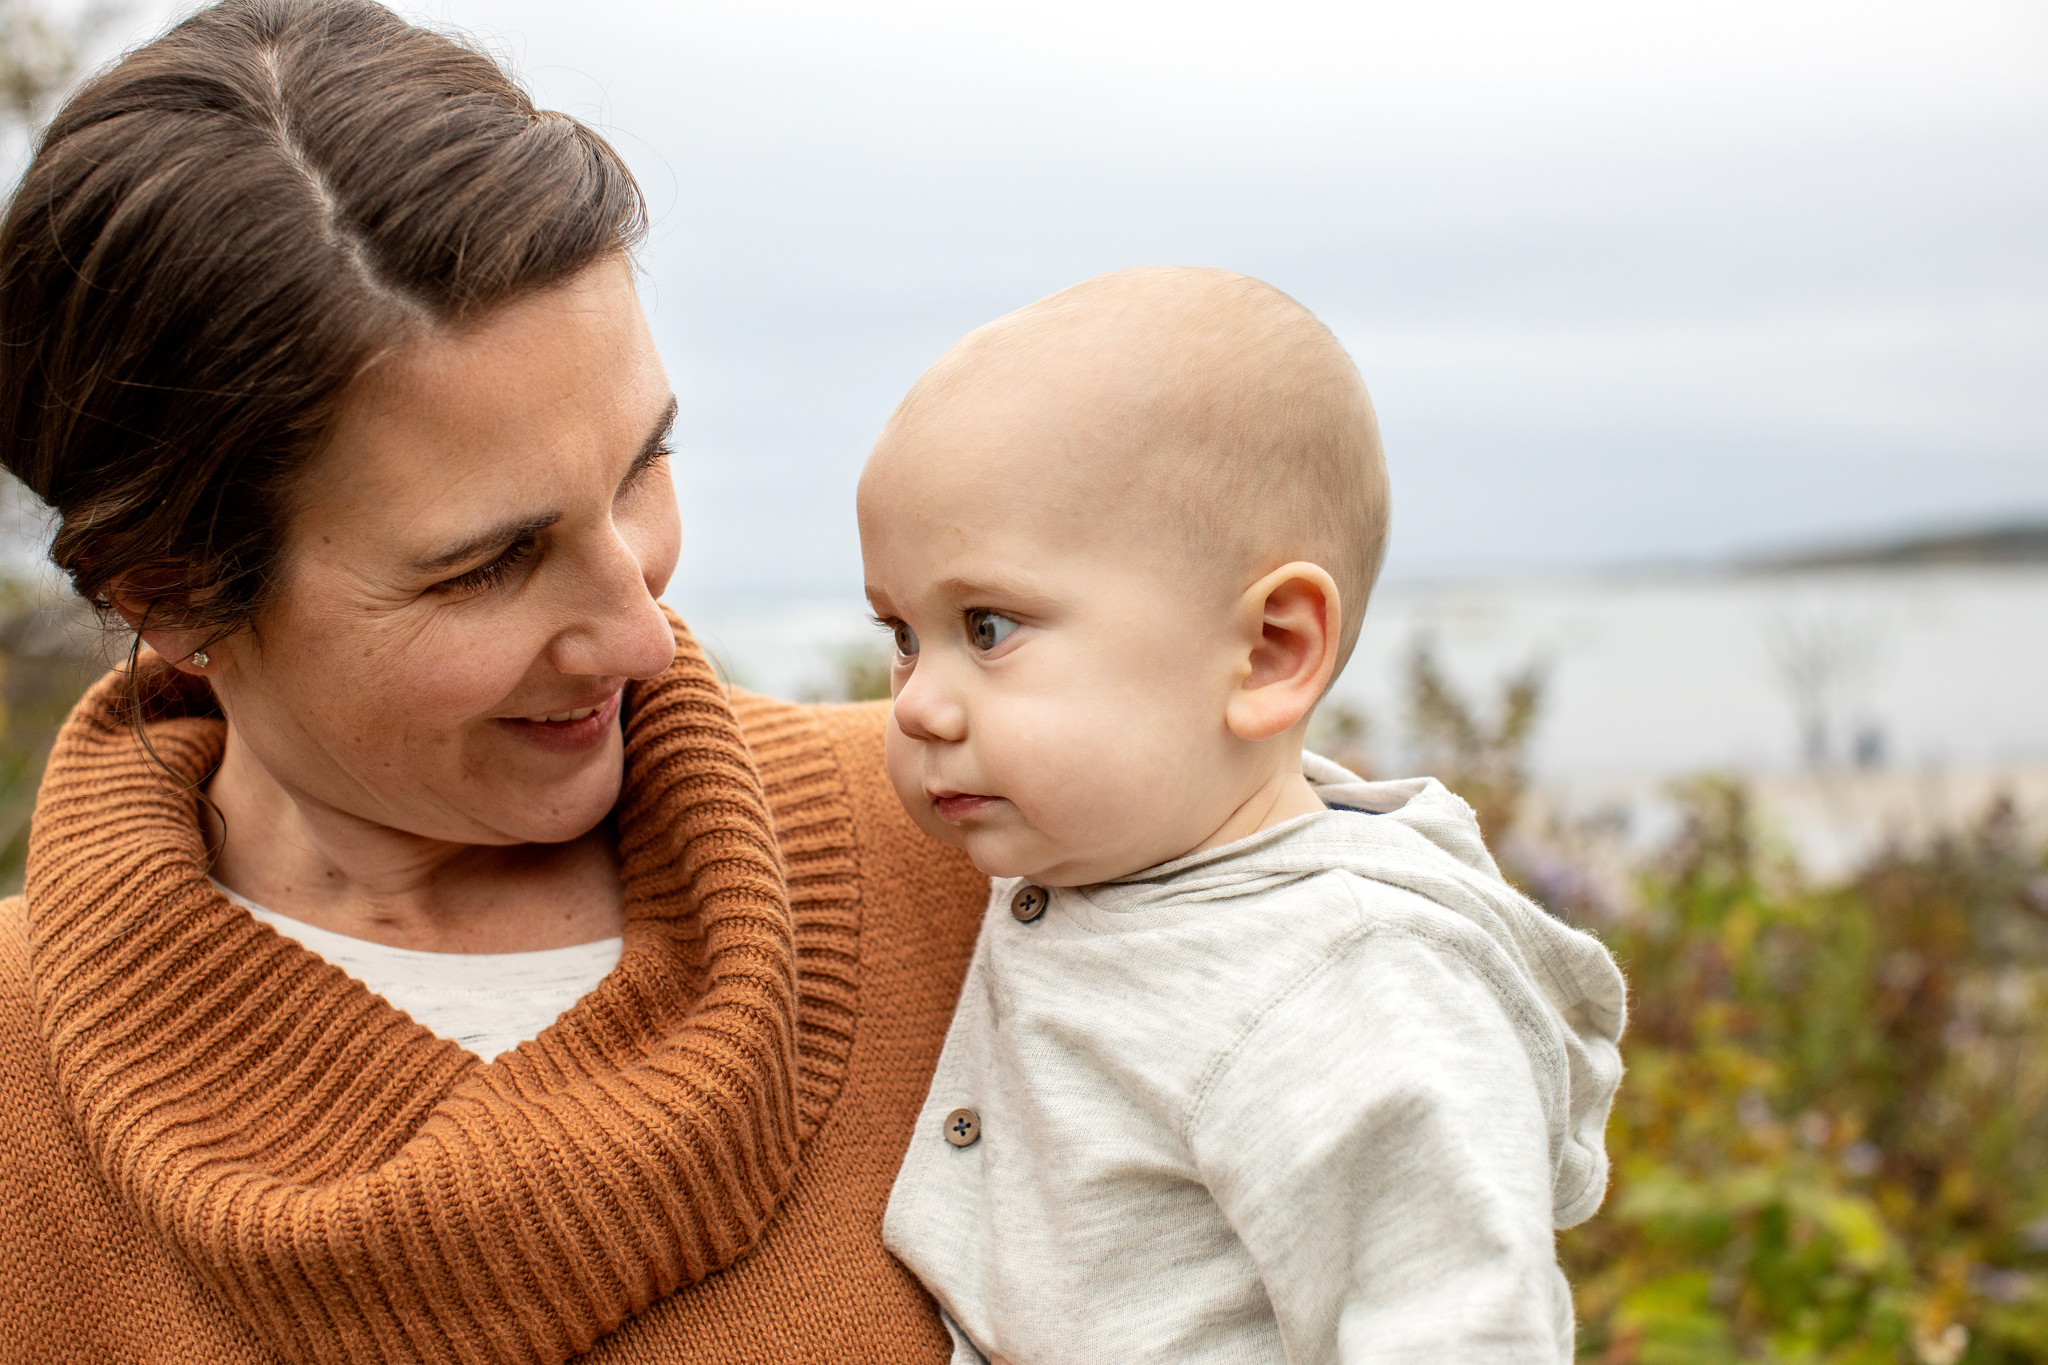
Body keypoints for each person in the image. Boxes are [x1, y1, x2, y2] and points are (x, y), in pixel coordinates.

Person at [0, 2, 991, 1361]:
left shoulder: (992, 847)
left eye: (645, 463)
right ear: (164, 588)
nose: (644, 633)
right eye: (489, 565)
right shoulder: (19, 1107)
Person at [860, 267, 1628, 1363]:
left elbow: (1461, 1324)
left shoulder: (1346, 982)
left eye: (986, 628)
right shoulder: (1101, 851)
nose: (919, 703)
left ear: (1269, 652)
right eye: (900, 634)